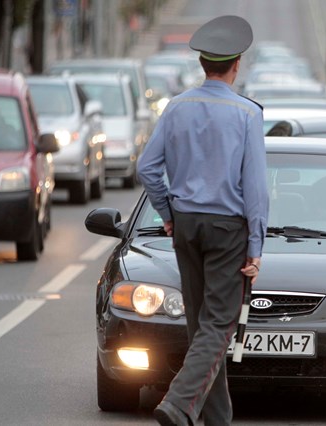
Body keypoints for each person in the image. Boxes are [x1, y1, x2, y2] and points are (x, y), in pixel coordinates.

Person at [137, 15, 269, 426]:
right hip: (228, 229)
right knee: (219, 325)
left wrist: (168, 213)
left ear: (202, 65)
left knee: (202, 328)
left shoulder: (176, 107)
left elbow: (146, 168)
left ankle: (216, 419)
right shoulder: (247, 113)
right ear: (236, 65)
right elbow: (256, 188)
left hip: (188, 225)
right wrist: (256, 247)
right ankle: (178, 403)